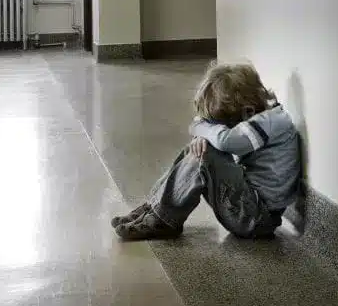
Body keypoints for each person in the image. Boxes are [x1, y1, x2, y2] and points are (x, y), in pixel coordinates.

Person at [113, 61, 300, 242]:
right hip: (249, 211)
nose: (221, 129)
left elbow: (226, 141)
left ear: (247, 111)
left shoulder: (272, 122)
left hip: (257, 218)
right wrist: (204, 135)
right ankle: (154, 207)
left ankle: (163, 219)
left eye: (224, 125)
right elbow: (221, 139)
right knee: (197, 148)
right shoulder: (266, 119)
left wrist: (199, 126)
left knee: (205, 152)